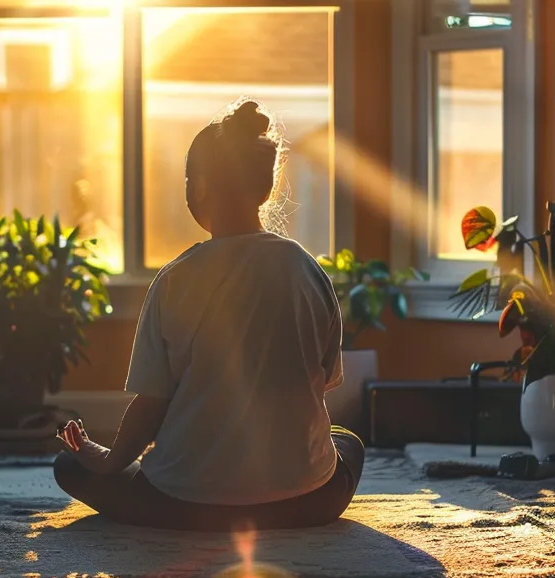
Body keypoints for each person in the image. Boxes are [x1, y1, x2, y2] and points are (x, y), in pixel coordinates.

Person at [52, 99, 365, 531]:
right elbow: (320, 384)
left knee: (67, 468)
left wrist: (106, 461)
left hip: (185, 504)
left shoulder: (175, 280)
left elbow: (151, 407)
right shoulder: (307, 270)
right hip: (307, 500)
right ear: (265, 187)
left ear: (198, 186)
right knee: (348, 445)